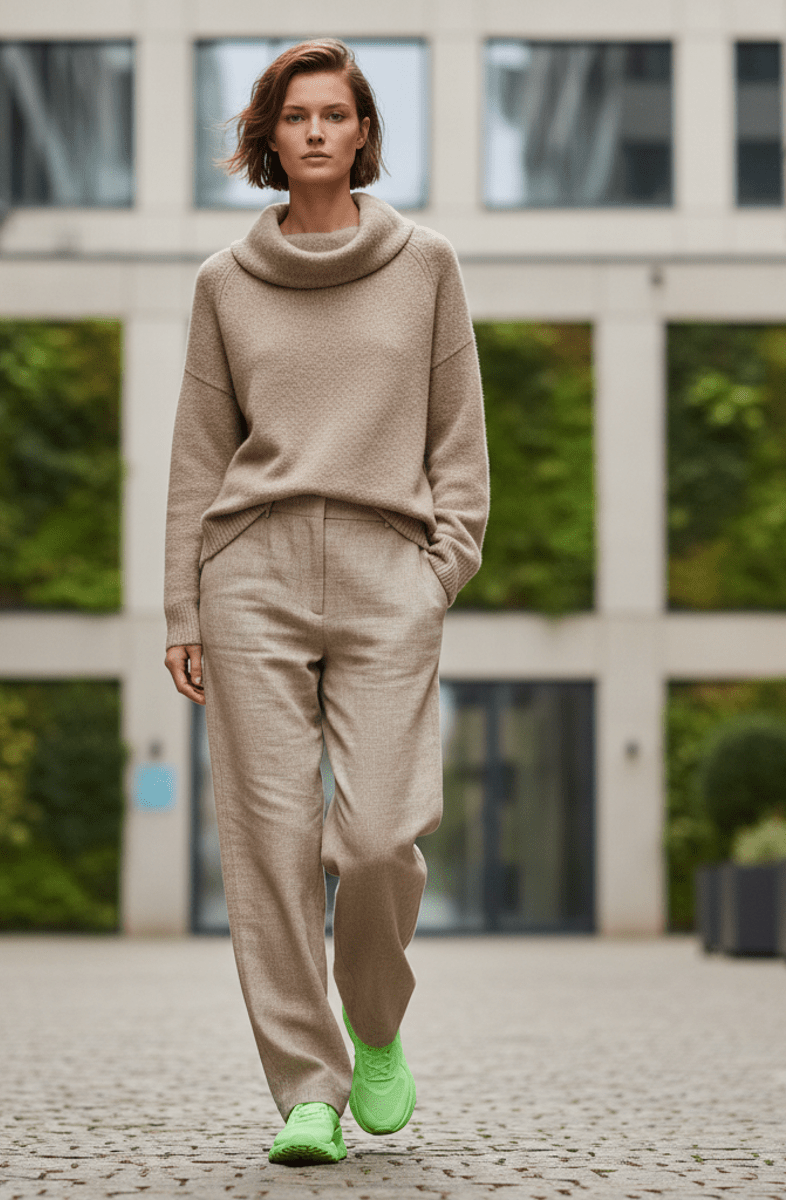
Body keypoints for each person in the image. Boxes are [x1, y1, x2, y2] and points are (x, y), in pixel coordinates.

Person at [163, 38, 488, 1166]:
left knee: (382, 836)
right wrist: (183, 608)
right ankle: (308, 1087)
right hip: (248, 574)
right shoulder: (224, 282)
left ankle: (376, 1023)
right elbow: (198, 455)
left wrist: (438, 570)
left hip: (385, 570)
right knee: (270, 843)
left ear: (362, 133)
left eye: (333, 114)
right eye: (294, 115)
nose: (314, 131)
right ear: (270, 135)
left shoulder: (426, 265)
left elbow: (459, 438)